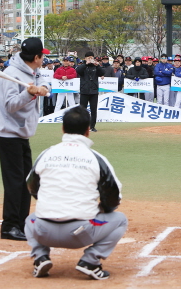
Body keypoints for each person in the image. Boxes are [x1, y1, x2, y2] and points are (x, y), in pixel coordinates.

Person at [25, 105, 127, 280]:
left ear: (63, 128)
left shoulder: (46, 153)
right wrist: (103, 209)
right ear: (88, 131)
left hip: (43, 230)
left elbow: (31, 186)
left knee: (29, 219)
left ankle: (40, 256)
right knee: (120, 220)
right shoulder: (96, 158)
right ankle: (90, 261)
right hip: (80, 234)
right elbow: (113, 197)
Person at [0, 37, 50, 241]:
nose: (43, 59)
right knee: (15, 182)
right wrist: (29, 94)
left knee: (27, 181)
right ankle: (9, 226)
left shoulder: (32, 70)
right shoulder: (10, 74)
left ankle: (21, 222)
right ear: (36, 57)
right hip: (8, 134)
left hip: (22, 134)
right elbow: (10, 105)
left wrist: (42, 88)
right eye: (42, 55)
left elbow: (42, 80)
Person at [76, 51, 105, 132]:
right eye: (88, 58)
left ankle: (92, 126)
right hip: (84, 91)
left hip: (94, 91)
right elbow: (78, 71)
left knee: (93, 109)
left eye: (91, 57)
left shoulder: (95, 66)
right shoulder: (82, 66)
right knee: (82, 110)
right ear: (85, 58)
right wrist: (86, 64)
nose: (90, 59)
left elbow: (102, 72)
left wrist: (98, 65)